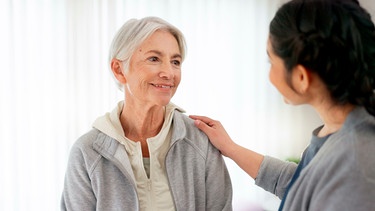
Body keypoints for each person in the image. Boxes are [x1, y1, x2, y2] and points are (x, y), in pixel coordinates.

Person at [190, 0, 375, 210]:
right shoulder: (336, 132)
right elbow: (299, 184)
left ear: (301, 77)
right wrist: (231, 148)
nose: (269, 75)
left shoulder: (357, 164)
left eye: (271, 62)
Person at [61, 16, 232, 211]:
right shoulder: (86, 152)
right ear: (119, 70)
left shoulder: (201, 141)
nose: (169, 73)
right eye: (154, 59)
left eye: (175, 62)